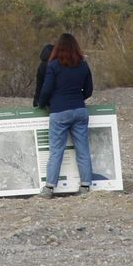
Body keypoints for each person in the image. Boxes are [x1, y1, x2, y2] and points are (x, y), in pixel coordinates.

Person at [37, 33, 94, 197]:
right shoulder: (83, 65)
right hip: (79, 110)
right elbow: (89, 90)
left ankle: (49, 187)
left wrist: (42, 103)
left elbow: (46, 89)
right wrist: (77, 98)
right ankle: (85, 186)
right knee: (82, 149)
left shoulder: (53, 66)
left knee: (56, 151)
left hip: (59, 111)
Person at [32, 42, 54, 109]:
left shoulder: (41, 66)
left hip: (44, 99)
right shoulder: (55, 66)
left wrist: (37, 101)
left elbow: (39, 86)